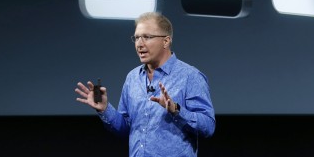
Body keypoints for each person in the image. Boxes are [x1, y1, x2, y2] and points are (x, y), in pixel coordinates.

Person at [75, 11, 216, 156]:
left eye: (147, 37)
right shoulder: (132, 78)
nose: (139, 44)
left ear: (166, 41)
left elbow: (208, 127)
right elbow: (125, 129)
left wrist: (176, 110)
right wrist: (104, 109)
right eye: (136, 38)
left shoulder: (190, 76)